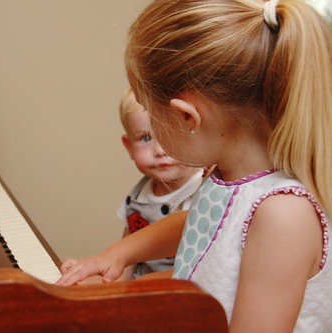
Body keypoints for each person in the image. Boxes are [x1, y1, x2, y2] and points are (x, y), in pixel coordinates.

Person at [57, 0, 332, 331]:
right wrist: (118, 253)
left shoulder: (284, 216)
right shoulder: (228, 173)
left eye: (150, 112)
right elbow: (197, 225)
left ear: (187, 117)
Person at [117, 87, 203, 280]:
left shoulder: (204, 192)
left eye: (171, 133)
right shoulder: (138, 196)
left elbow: (201, 269)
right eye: (145, 138)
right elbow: (125, 260)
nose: (160, 150)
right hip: (138, 295)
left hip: (181, 294)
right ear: (129, 147)